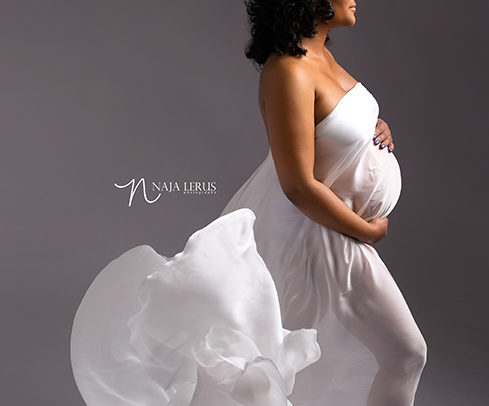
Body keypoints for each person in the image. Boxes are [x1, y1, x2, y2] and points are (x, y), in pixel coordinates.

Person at [70, 1, 427, 405]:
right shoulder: (287, 71)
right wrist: (369, 230)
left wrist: (373, 127)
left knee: (355, 360)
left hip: (335, 235)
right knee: (290, 368)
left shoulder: (322, 55)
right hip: (317, 240)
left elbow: (331, 128)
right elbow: (297, 186)